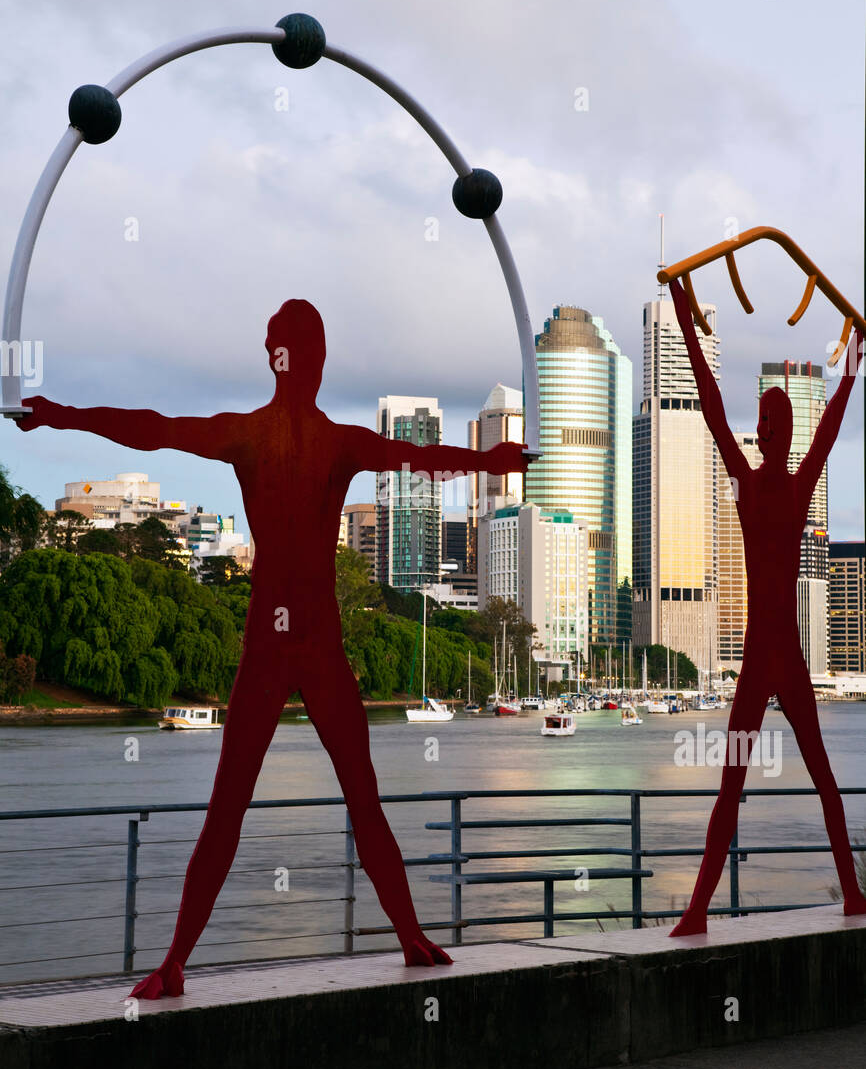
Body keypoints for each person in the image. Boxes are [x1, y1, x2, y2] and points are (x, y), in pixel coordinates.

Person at [18, 299, 529, 994]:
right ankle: (384, 938)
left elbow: (156, 429)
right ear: (306, 360)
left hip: (287, 639)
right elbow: (422, 459)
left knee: (253, 804)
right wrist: (487, 459)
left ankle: (183, 963)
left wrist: (63, 415)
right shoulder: (308, 439)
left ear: (278, 356)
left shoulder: (262, 435)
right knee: (348, 799)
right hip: (301, 640)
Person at [667, 275, 866, 936]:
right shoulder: (789, 483)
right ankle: (850, 894)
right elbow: (825, 426)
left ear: (767, 429)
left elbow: (712, 406)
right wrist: (854, 365)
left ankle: (699, 909)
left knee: (736, 783)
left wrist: (686, 323)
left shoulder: (754, 487)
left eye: (767, 420)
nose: (762, 427)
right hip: (780, 656)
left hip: (763, 658)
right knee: (821, 778)